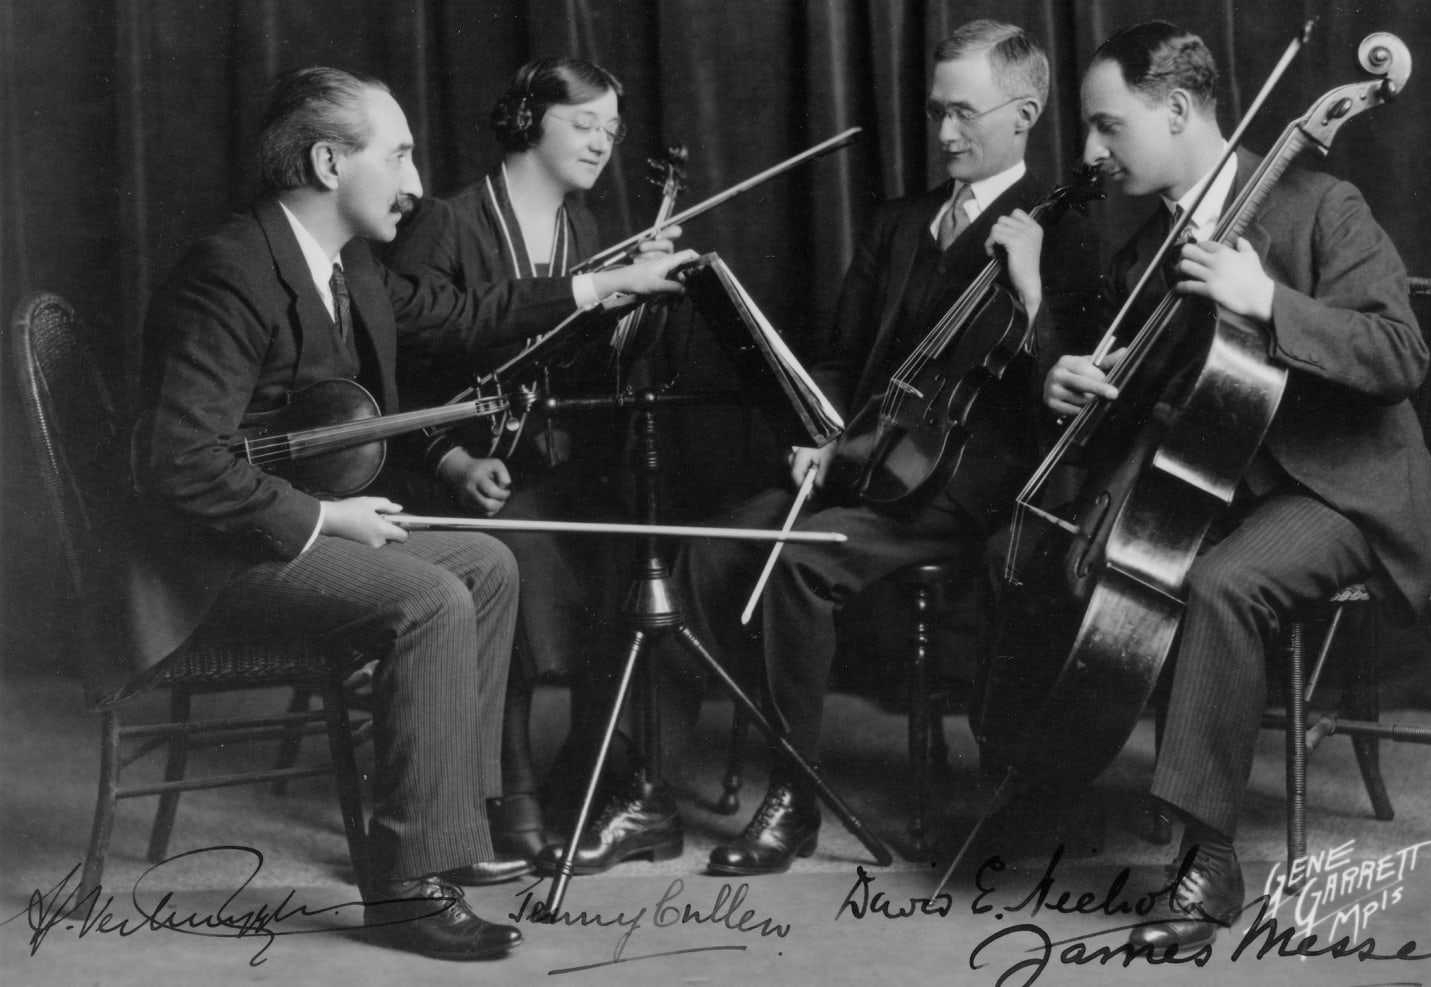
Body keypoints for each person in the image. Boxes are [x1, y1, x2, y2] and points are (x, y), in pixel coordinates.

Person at [127, 66, 690, 960]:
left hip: (276, 527)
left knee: (486, 563)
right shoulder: (228, 272)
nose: (419, 183)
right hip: (208, 564)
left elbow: (467, 314)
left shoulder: (347, 264)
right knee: (429, 597)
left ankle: (450, 837)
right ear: (325, 161)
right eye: (398, 156)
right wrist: (326, 519)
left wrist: (604, 286)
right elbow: (180, 467)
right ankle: (403, 891)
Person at [536, 18, 1099, 878]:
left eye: (965, 115)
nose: (943, 133)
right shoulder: (900, 223)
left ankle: (794, 797)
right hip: (859, 467)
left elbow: (1059, 401)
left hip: (958, 496)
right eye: (936, 112)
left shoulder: (1062, 238)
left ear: (1024, 115)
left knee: (797, 564)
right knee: (706, 554)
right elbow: (839, 359)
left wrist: (1029, 298)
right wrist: (822, 436)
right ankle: (640, 789)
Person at [1043, 21, 1431, 953]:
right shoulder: (1148, 243)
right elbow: (1157, 397)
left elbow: (1399, 353)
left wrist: (1266, 301)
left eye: (1109, 127)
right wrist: (1070, 387)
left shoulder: (1321, 204)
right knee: (1097, 567)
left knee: (1222, 581)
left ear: (1177, 109)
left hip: (1343, 487)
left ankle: (1209, 859)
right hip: (1227, 474)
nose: (1092, 152)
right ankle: (1044, 782)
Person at [386, 56, 686, 859]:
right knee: (511, 550)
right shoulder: (447, 220)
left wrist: (631, 301)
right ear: (527, 120)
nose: (602, 143)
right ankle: (507, 783)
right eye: (583, 123)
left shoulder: (587, 232)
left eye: (611, 130)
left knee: (641, 556)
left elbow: (586, 366)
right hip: (456, 471)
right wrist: (449, 459)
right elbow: (404, 354)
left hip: (556, 469)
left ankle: (587, 775)